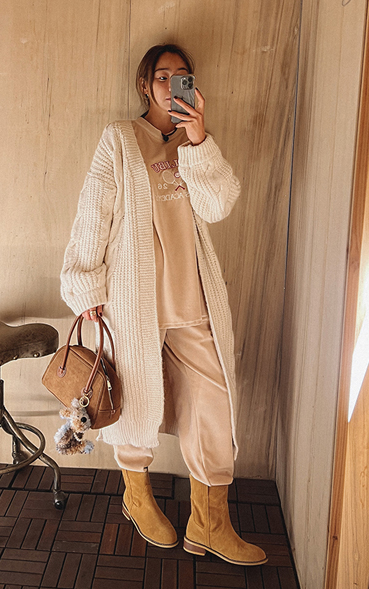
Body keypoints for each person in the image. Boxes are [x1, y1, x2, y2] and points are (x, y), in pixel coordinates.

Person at [60, 43, 267, 566]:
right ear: (145, 85)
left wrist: (199, 139)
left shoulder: (195, 142)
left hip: (192, 301)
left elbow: (217, 206)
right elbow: (93, 213)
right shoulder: (120, 138)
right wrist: (85, 287)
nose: (172, 84)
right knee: (132, 401)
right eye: (162, 76)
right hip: (134, 304)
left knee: (214, 408)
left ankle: (209, 523)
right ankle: (136, 497)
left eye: (182, 75)